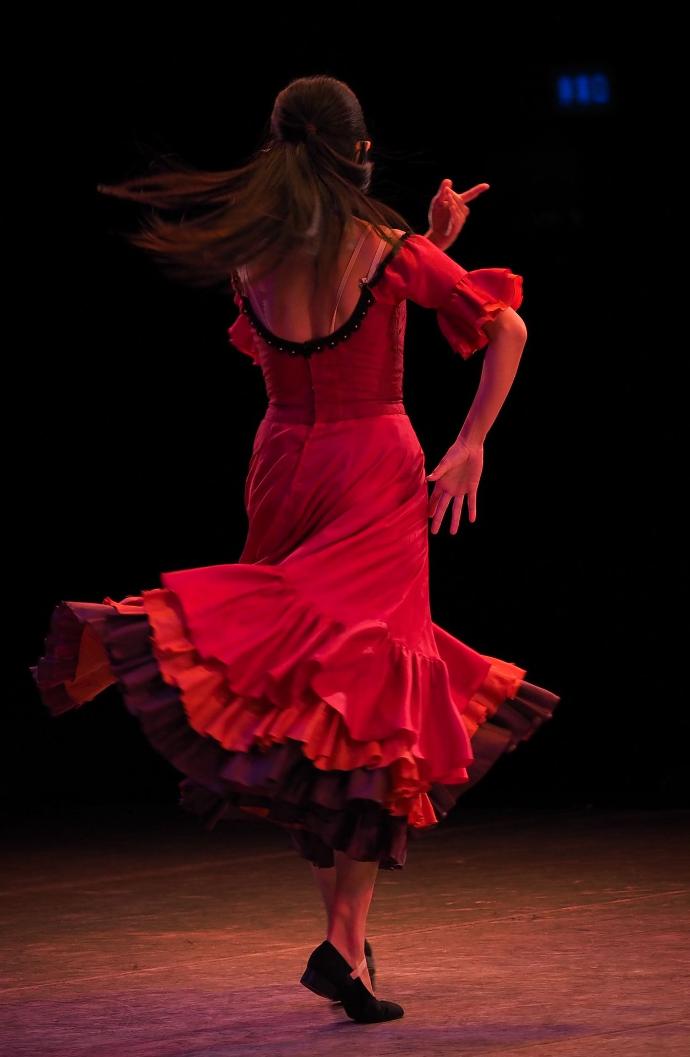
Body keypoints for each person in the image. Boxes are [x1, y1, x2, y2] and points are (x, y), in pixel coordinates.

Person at [29, 74, 560, 1024]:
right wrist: (471, 442)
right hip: (371, 468)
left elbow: (321, 330)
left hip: (282, 460)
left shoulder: (256, 251)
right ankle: (344, 943)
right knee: (369, 703)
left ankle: (345, 949)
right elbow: (505, 323)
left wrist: (429, 251)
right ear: (359, 152)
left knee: (312, 702)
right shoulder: (381, 245)